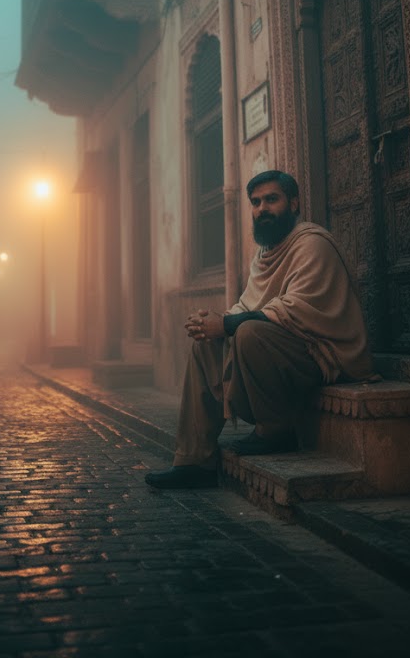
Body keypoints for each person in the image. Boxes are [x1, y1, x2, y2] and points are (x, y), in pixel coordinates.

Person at [145, 169, 375, 489]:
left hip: (323, 355)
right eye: (255, 202)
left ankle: (275, 432)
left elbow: (293, 310)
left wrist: (226, 324)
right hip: (279, 352)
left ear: (294, 203)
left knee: (249, 332)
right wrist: (213, 323)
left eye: (271, 200)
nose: (261, 209)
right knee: (206, 344)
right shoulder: (265, 253)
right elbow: (249, 305)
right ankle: (194, 460)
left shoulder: (312, 244)